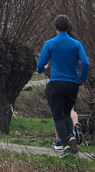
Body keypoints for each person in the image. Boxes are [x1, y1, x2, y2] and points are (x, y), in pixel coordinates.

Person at [36, 15, 89, 157]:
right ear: (68, 27)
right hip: (73, 84)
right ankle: (71, 136)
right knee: (66, 113)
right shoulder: (76, 44)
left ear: (55, 28)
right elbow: (85, 63)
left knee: (58, 116)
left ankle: (66, 145)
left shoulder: (50, 43)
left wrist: (41, 70)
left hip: (57, 83)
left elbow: (41, 64)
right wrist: (81, 78)